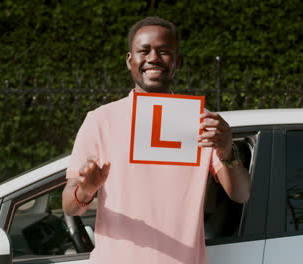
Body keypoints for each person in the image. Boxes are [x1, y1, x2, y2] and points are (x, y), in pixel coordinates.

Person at [62, 16, 251, 264]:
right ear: (130, 60)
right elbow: (69, 206)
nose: (153, 58)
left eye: (164, 51)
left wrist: (227, 151)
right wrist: (86, 189)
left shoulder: (200, 122)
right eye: (144, 50)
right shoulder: (101, 120)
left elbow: (241, 194)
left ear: (177, 61)